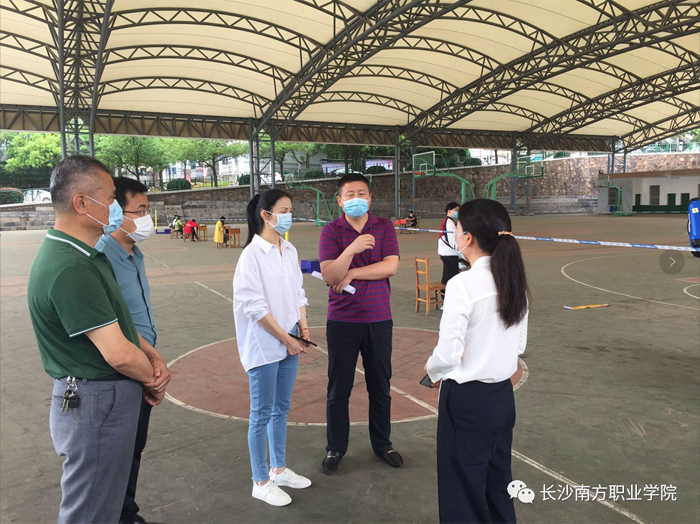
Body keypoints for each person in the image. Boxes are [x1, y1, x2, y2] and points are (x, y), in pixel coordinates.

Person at [27, 156, 168, 524]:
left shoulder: (86, 257)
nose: (115, 207)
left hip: (104, 399)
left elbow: (119, 322)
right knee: (90, 512)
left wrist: (151, 355)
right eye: (109, 199)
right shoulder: (71, 267)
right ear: (81, 203)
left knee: (105, 503)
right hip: (95, 402)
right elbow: (118, 353)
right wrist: (153, 377)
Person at [424, 199, 530, 524]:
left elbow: (448, 355)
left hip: (467, 402)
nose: (455, 234)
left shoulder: (462, 284)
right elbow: (520, 345)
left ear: (468, 237)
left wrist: (431, 370)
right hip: (502, 398)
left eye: (457, 229)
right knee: (497, 486)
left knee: (462, 494)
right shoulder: (514, 280)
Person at [95, 177, 171, 524]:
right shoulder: (103, 255)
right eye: (139, 211)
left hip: (145, 360)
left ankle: (126, 512)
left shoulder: (134, 253)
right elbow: (111, 321)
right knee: (115, 451)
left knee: (133, 446)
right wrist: (147, 365)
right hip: (124, 365)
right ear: (116, 212)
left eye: (147, 210)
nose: (146, 219)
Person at [233, 189, 312, 507]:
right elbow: (255, 307)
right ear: (266, 215)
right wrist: (287, 338)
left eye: (291, 209)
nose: (290, 215)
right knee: (261, 412)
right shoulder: (251, 256)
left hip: (290, 337)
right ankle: (260, 481)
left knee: (281, 407)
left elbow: (298, 293)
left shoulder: (289, 250)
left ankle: (278, 469)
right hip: (264, 344)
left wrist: (303, 326)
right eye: (284, 210)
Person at [318, 173, 402, 474]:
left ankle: (382, 443)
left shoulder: (384, 226)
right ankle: (335, 448)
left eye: (362, 193)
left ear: (370, 198)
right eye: (350, 194)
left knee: (380, 386)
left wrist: (352, 273)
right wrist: (352, 249)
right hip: (342, 321)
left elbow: (390, 266)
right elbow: (330, 275)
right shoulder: (331, 231)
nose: (357, 199)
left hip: (379, 319)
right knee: (338, 389)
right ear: (340, 201)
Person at [438, 202, 461, 296]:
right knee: (452, 278)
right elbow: (452, 241)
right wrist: (460, 251)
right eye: (456, 210)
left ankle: (444, 295)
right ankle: (449, 297)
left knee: (446, 276)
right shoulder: (449, 223)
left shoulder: (449, 221)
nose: (457, 212)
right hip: (450, 254)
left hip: (446, 253)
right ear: (449, 210)